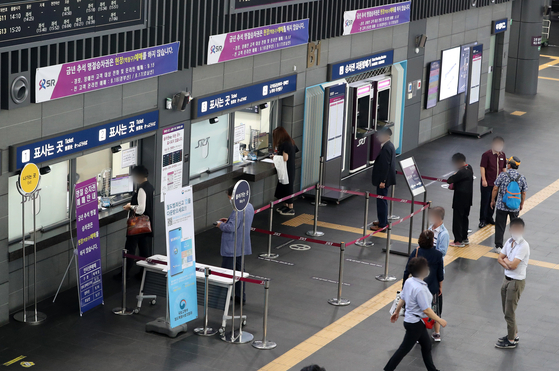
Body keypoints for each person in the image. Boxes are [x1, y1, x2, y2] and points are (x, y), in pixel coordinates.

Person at [386, 257, 447, 371]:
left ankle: (432, 369)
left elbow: (402, 297)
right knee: (403, 349)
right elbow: (426, 310)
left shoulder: (409, 281)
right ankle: (387, 369)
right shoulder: (420, 289)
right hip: (415, 324)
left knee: (426, 345)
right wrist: (440, 320)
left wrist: (397, 312)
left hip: (413, 320)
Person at [404, 230, 444, 342]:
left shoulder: (416, 252)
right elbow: (440, 273)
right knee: (435, 310)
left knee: (420, 309)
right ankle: (437, 333)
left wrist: (404, 285)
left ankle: (419, 334)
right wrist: (440, 286)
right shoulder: (438, 254)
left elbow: (407, 269)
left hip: (418, 285)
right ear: (432, 241)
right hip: (433, 286)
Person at [216, 186, 255, 304]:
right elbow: (240, 223)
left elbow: (232, 228)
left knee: (226, 273)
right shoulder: (249, 206)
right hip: (242, 246)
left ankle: (223, 298)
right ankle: (240, 296)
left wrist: (220, 225)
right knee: (240, 273)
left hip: (231, 247)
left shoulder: (237, 210)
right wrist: (229, 220)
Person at [496, 218, 530, 349]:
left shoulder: (523, 245)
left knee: (509, 312)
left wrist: (507, 263)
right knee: (506, 309)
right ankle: (514, 334)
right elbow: (500, 258)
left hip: (516, 282)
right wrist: (507, 264)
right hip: (506, 278)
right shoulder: (509, 241)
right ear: (510, 230)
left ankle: (511, 340)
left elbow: (514, 265)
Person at [120, 165, 154, 279]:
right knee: (144, 251)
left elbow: (141, 209)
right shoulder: (149, 186)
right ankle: (145, 273)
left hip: (137, 225)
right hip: (146, 225)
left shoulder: (142, 189)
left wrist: (130, 206)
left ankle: (125, 274)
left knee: (130, 249)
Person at [491, 156, 528, 253]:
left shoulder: (503, 175)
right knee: (515, 225)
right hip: (515, 206)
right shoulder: (522, 177)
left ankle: (499, 246)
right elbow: (523, 192)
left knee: (500, 225)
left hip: (501, 205)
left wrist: (492, 200)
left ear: (509, 165)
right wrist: (521, 204)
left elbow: (495, 188)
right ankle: (515, 245)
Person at [370, 127, 396, 231]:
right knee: (382, 200)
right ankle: (382, 220)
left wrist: (383, 181)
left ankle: (382, 224)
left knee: (381, 201)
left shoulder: (386, 148)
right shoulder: (389, 146)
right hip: (386, 179)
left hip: (383, 180)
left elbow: (386, 165)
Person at [446, 153, 474, 247]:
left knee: (457, 219)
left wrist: (455, 174)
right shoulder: (470, 168)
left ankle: (458, 240)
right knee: (465, 218)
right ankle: (464, 238)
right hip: (468, 198)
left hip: (459, 199)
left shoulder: (461, 172)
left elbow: (449, 180)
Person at [479, 137, 507, 228]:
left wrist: (505, 180)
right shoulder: (486, 154)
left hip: (497, 183)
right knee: (485, 201)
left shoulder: (502, 155)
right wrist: (484, 179)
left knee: (493, 201)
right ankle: (482, 220)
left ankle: (489, 217)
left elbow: (503, 168)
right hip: (488, 182)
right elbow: (482, 167)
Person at [272, 127, 299, 216]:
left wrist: (274, 157)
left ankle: (290, 207)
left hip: (287, 169)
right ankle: (285, 205)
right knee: (284, 186)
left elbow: (285, 158)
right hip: (290, 168)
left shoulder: (285, 144)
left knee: (287, 187)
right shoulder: (291, 141)